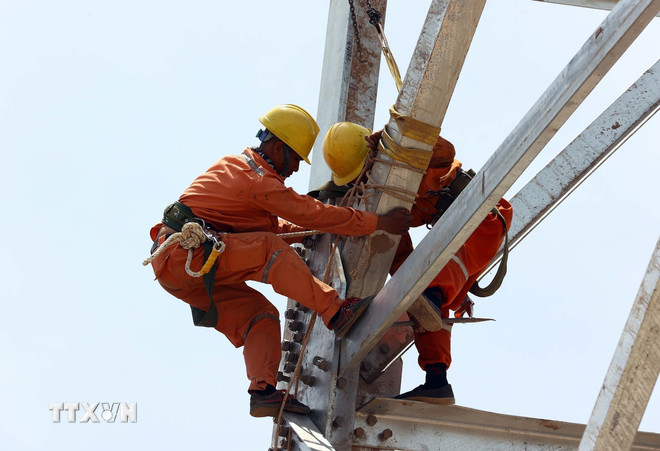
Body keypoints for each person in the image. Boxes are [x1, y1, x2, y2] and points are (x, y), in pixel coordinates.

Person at [146, 106, 412, 418]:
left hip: (183, 270)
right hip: (186, 255)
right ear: (277, 148)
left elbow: (269, 229)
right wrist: (378, 222)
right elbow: (309, 214)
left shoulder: (237, 167)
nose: (297, 169)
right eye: (297, 158)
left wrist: (301, 235)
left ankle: (262, 391)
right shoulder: (256, 179)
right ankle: (337, 312)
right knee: (268, 250)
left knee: (261, 316)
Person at [316, 121, 513, 405]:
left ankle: (430, 295)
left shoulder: (410, 158)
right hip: (461, 233)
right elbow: (399, 252)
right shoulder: (387, 192)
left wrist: (401, 139)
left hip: (485, 218)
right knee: (417, 290)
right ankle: (437, 381)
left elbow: (446, 151)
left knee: (427, 277)